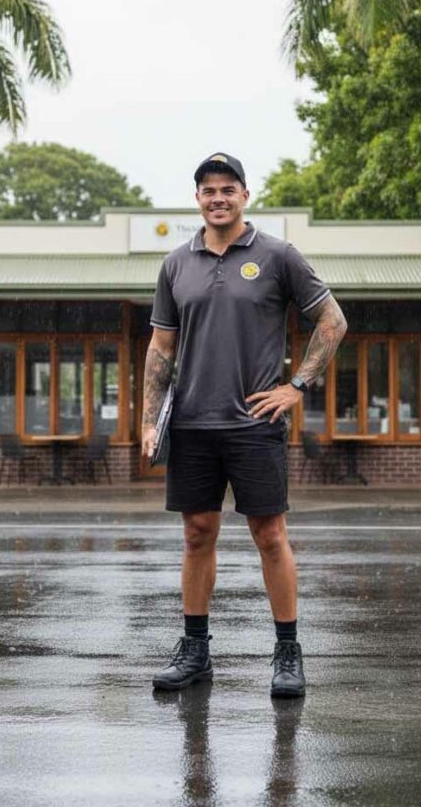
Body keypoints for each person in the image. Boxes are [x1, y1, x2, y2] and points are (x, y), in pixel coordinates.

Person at [142, 152, 347, 697]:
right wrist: (148, 419)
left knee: (270, 536)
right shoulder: (175, 264)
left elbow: (332, 320)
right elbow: (161, 347)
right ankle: (195, 653)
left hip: (254, 423)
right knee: (196, 535)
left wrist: (296, 386)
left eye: (228, 189)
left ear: (245, 195)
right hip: (191, 424)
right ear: (197, 199)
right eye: (208, 190)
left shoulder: (278, 256)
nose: (218, 198)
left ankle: (287, 654)